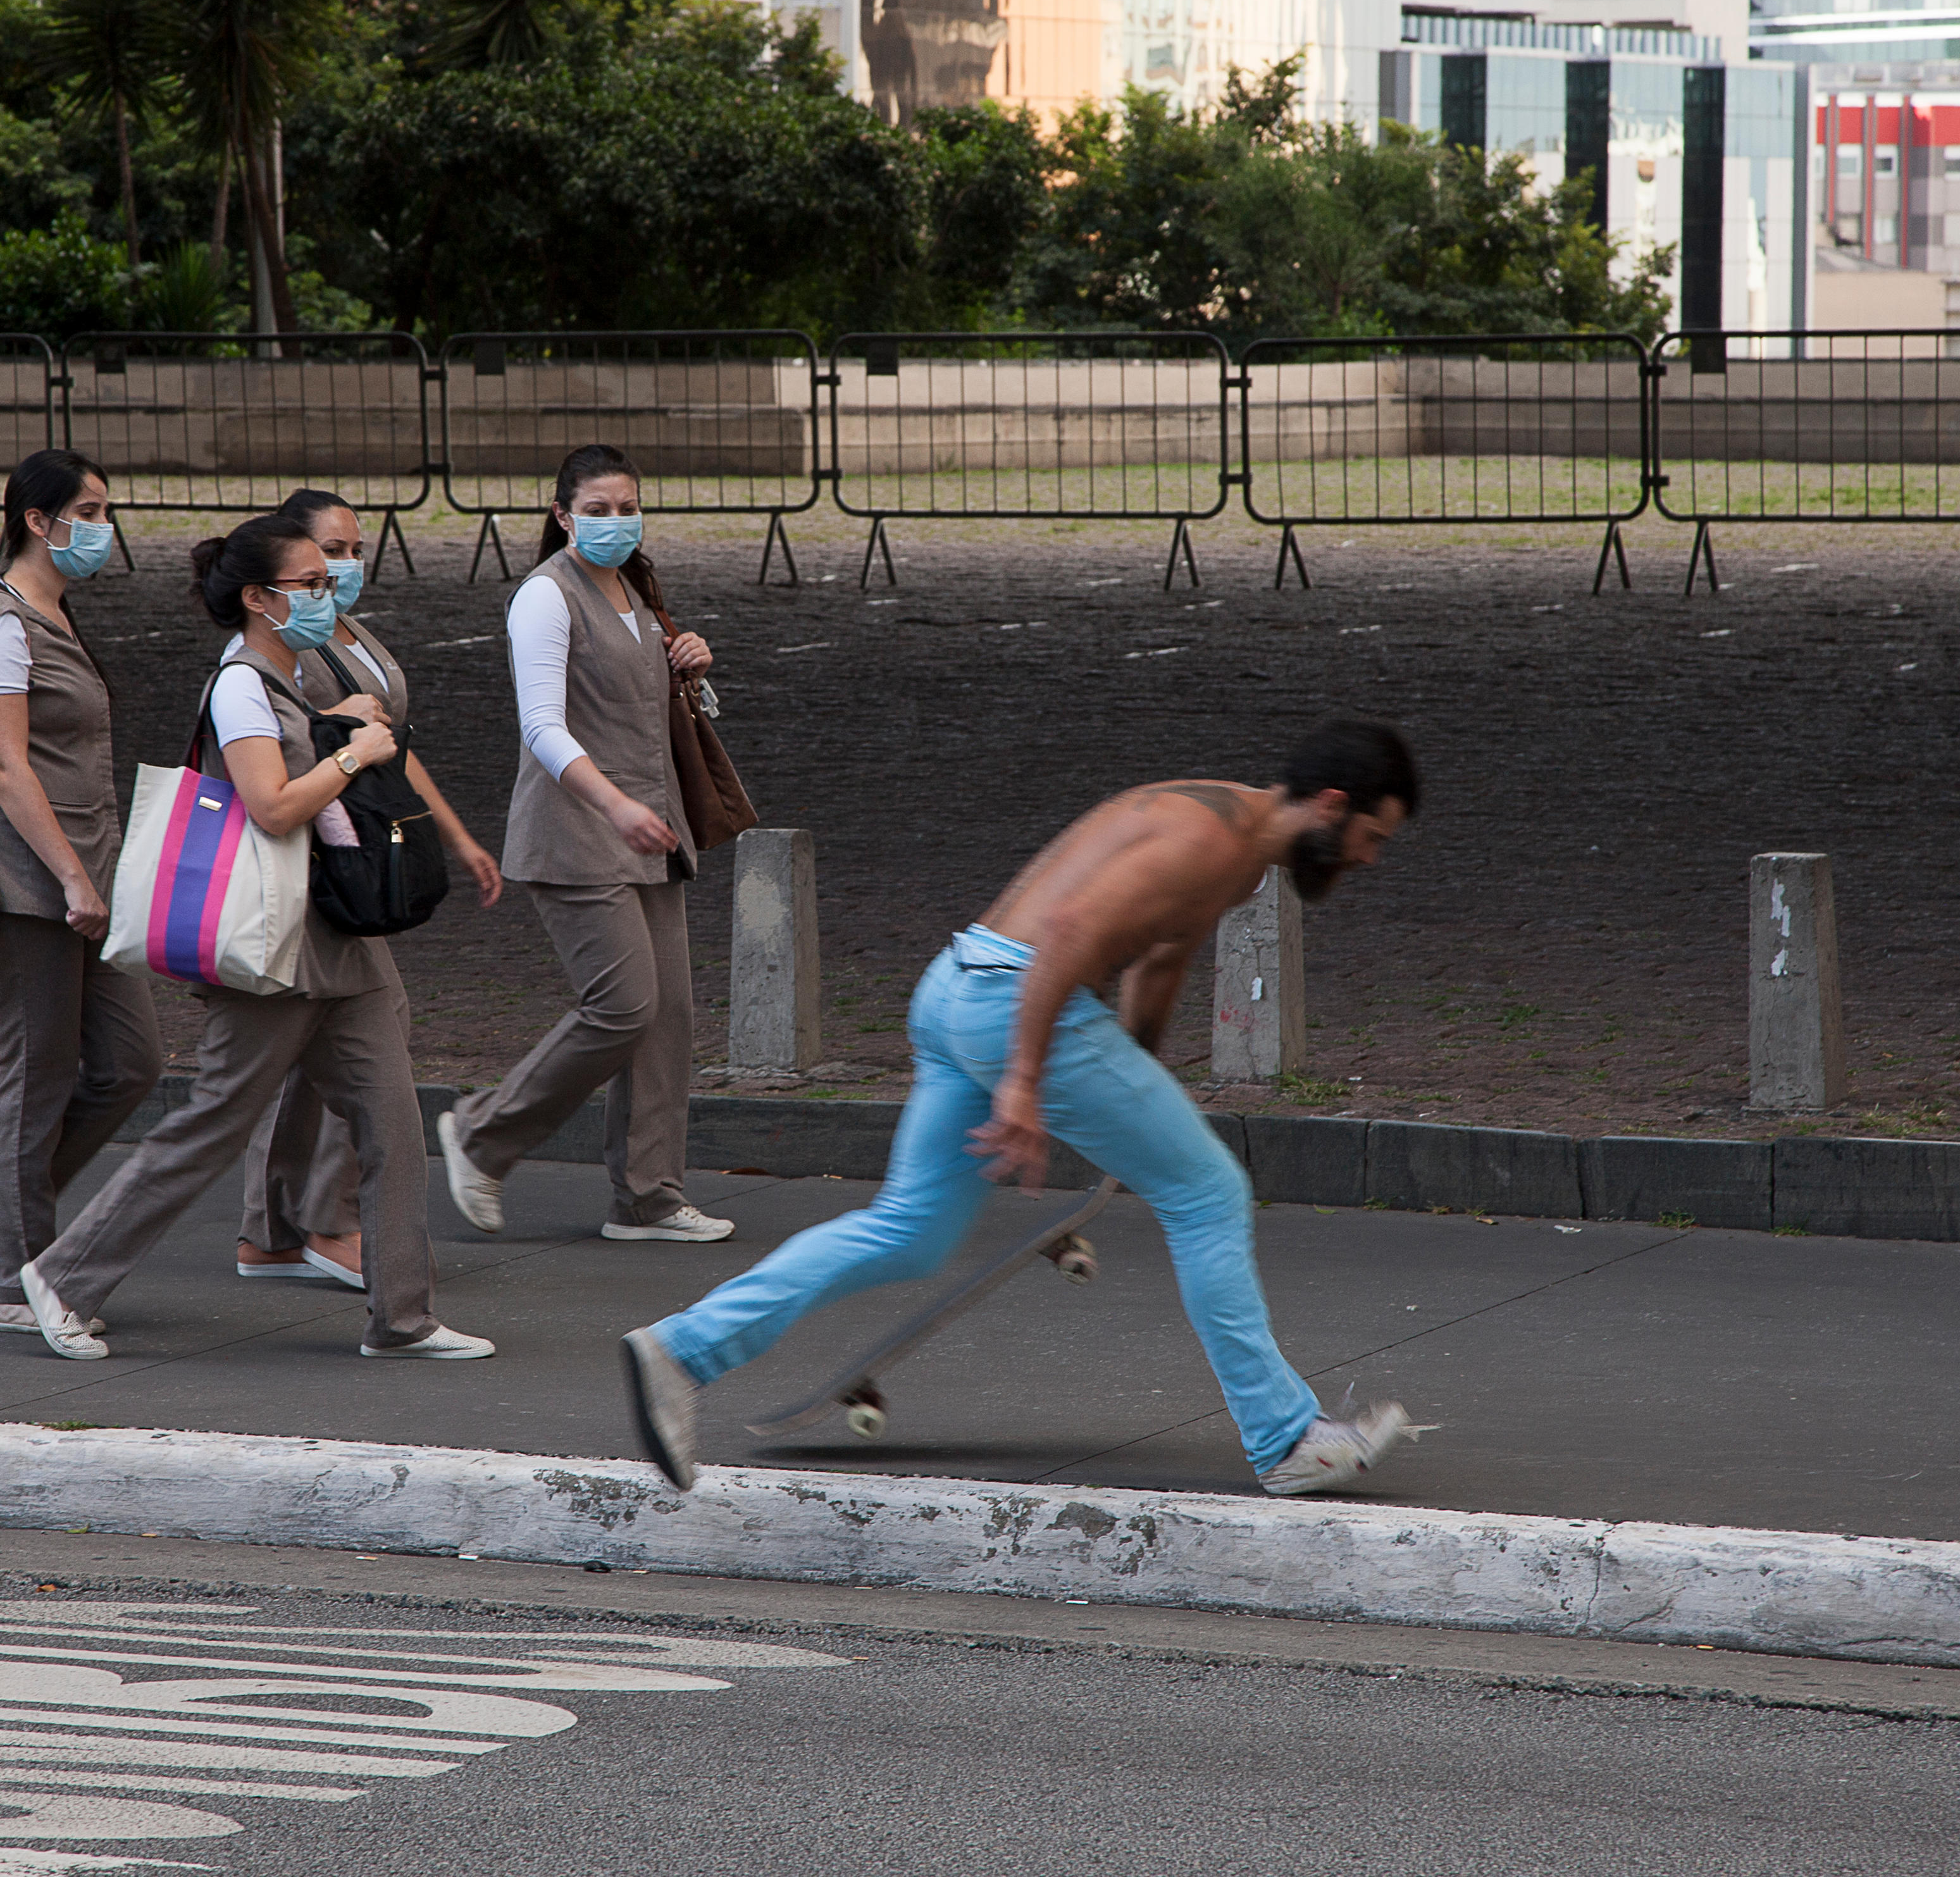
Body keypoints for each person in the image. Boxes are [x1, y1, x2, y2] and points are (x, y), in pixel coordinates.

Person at [619, 717, 1430, 1497]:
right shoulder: (1208, 841)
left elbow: (1159, 958)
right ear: (1332, 803)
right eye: (1373, 838)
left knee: (908, 1231)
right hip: (1019, 1003)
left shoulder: (1229, 838)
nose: (1369, 860)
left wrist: (1133, 1090)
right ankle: (1285, 1440)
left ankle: (680, 1350)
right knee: (1207, 1195)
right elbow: (1072, 933)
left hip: (957, 988)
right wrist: (1024, 1084)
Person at [11, 513, 492, 1363]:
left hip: (336, 938)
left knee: (392, 1124)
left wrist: (337, 721)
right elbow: (272, 804)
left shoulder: (293, 675)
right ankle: (64, 1277)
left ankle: (402, 1317)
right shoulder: (240, 684)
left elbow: (297, 750)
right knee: (211, 1125)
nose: (325, 593)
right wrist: (355, 753)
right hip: (270, 945)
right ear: (257, 599)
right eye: (307, 583)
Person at [435, 444, 731, 1246]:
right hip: (577, 831)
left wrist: (694, 669)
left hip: (650, 832)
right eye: (596, 511)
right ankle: (481, 1134)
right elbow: (541, 727)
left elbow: (654, 705)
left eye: (627, 508)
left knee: (667, 1016)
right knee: (622, 1006)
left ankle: (649, 1198)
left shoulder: (637, 587)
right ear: (562, 515)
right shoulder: (544, 596)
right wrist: (614, 804)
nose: (615, 523)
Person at [235, 487, 504, 1293]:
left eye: (354, 552)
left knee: (299, 1055)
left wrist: (450, 832)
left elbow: (392, 744)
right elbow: (310, 762)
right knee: (363, 1047)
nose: (344, 569)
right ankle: (324, 1222)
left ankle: (280, 1227)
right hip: (327, 862)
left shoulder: (348, 636)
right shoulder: (285, 656)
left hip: (358, 853)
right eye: (328, 557)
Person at [0, 449, 164, 1335]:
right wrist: (69, 873)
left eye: (107, 511)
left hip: (82, 877)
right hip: (31, 884)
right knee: (39, 1073)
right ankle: (13, 1280)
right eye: (89, 512)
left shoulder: (52, 616)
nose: (103, 529)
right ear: (38, 519)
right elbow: (1, 762)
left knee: (132, 1060)